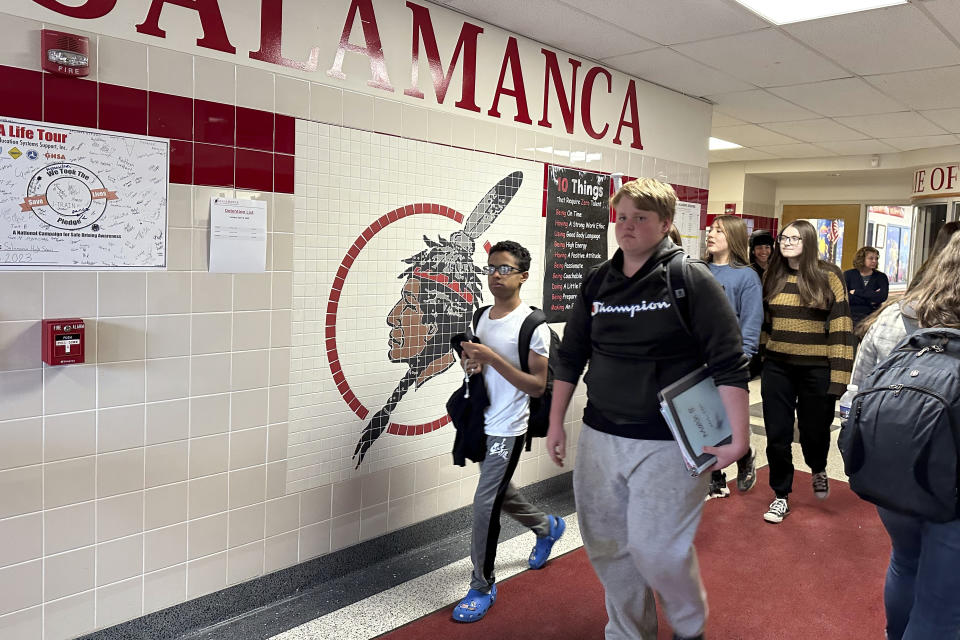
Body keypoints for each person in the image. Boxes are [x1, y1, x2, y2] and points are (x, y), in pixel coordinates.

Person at [546, 178, 750, 640]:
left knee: (658, 550)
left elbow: (728, 361)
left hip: (670, 441)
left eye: (640, 217)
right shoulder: (597, 280)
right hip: (601, 434)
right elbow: (571, 355)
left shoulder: (690, 279)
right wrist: (557, 421)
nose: (627, 226)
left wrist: (739, 440)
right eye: (621, 217)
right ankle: (628, 631)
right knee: (607, 545)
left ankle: (689, 626)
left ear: (665, 224)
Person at [850, 231, 960, 640]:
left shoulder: (897, 314)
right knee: (943, 607)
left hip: (894, 467)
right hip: (951, 486)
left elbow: (860, 386)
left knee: (905, 561)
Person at [452, 240, 565, 623]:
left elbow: (536, 385)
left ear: (523, 276)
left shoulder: (535, 326)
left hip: (510, 427)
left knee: (485, 502)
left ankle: (481, 585)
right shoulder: (481, 315)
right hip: (481, 421)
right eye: (491, 268)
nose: (495, 275)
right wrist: (473, 366)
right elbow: (481, 367)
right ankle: (547, 527)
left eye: (504, 269)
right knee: (498, 491)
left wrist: (492, 358)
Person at [760, 220, 854, 524]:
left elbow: (841, 327)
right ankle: (780, 495)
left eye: (794, 238)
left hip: (816, 368)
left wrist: (839, 376)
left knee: (814, 432)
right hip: (777, 367)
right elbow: (765, 323)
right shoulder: (772, 273)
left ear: (809, 241)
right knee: (777, 433)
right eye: (783, 238)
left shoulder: (829, 275)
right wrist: (762, 355)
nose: (786, 242)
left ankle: (818, 468)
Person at [703, 215, 763, 498]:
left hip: (729, 360)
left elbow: (752, 320)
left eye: (719, 231)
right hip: (696, 359)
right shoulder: (698, 270)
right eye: (711, 229)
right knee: (703, 419)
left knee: (724, 419)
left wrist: (745, 358)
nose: (711, 234)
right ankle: (715, 477)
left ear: (734, 239)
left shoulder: (746, 276)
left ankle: (745, 453)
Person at [748, 230, 775, 379]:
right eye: (759, 248)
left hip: (772, 319)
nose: (763, 251)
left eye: (767, 247)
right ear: (753, 250)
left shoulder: (777, 270)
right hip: (755, 317)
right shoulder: (748, 270)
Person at [844, 246, 888, 326]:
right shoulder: (848, 275)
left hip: (872, 316)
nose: (874, 261)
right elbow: (845, 296)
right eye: (871, 258)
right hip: (851, 315)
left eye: (876, 258)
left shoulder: (881, 277)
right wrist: (870, 298)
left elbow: (882, 296)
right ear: (861, 259)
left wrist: (856, 292)